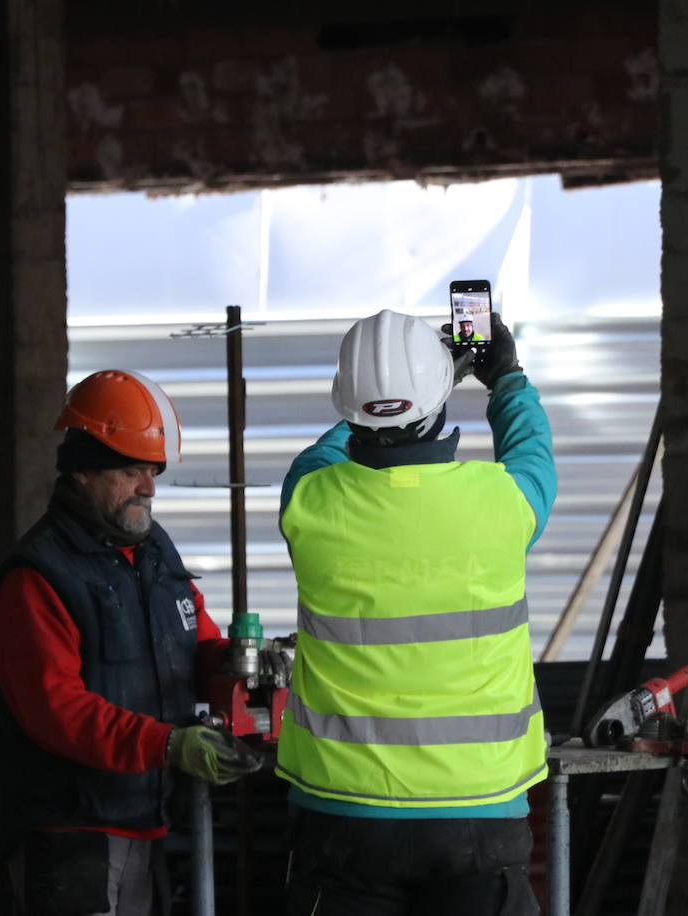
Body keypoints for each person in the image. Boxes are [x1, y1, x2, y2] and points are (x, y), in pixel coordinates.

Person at [276, 310, 555, 916]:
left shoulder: (308, 503)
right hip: (479, 812)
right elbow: (533, 452)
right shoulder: (502, 503)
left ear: (347, 407)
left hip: (343, 814)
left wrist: (411, 390)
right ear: (436, 403)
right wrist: (504, 375)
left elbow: (326, 453)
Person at [0, 368, 261, 916]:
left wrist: (242, 667)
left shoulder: (153, 549)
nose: (149, 488)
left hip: (148, 822)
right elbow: (57, 710)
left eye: (153, 471)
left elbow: (196, 645)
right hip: (71, 838)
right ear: (83, 473)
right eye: (132, 471)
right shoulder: (39, 577)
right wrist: (166, 745)